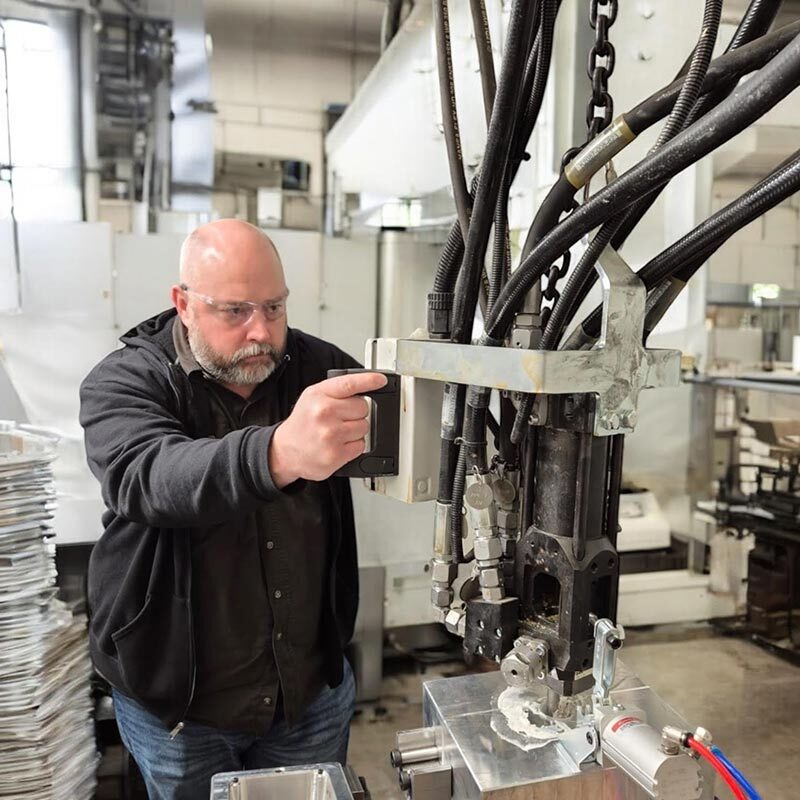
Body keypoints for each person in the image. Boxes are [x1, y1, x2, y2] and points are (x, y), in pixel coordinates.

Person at [79, 219, 385, 799]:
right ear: (184, 304)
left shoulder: (316, 369)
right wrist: (277, 453)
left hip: (307, 697)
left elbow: (415, 422)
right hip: (179, 712)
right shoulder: (125, 381)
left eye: (274, 307)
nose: (260, 332)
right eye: (235, 311)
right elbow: (148, 476)